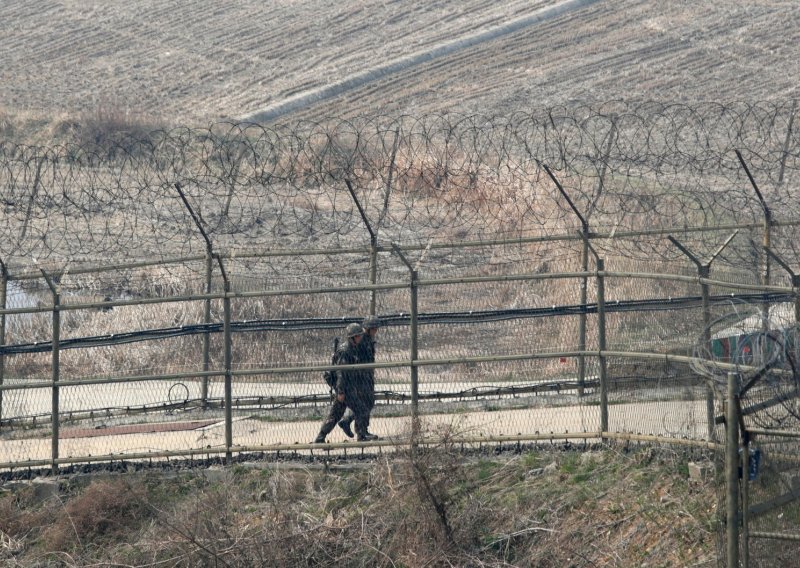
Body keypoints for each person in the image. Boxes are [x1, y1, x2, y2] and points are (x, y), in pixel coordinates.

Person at [313, 322, 377, 443]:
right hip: (345, 388)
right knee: (362, 409)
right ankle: (362, 435)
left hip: (348, 387)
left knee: (335, 414)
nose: (360, 338)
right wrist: (341, 391)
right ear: (352, 337)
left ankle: (321, 436)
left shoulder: (353, 348)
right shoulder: (345, 350)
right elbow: (341, 373)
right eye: (357, 336)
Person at [338, 315, 381, 439]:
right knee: (365, 403)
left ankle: (356, 425)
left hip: (366, 375)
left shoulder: (367, 340)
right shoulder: (363, 341)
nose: (376, 331)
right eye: (374, 328)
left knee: (368, 402)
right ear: (368, 328)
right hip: (362, 377)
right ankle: (360, 431)